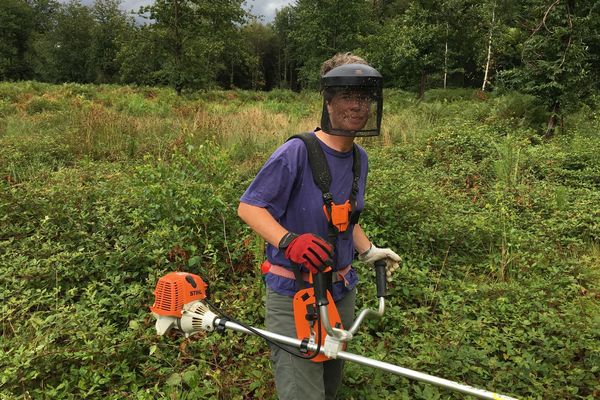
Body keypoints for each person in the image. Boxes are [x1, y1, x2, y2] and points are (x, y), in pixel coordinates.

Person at [237, 52, 401, 400]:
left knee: (328, 385)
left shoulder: (360, 158)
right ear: (328, 101)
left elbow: (345, 219)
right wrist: (289, 241)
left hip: (341, 289)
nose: (357, 106)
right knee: (303, 392)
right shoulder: (297, 151)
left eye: (364, 97)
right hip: (296, 291)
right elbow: (250, 207)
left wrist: (369, 251)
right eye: (346, 95)